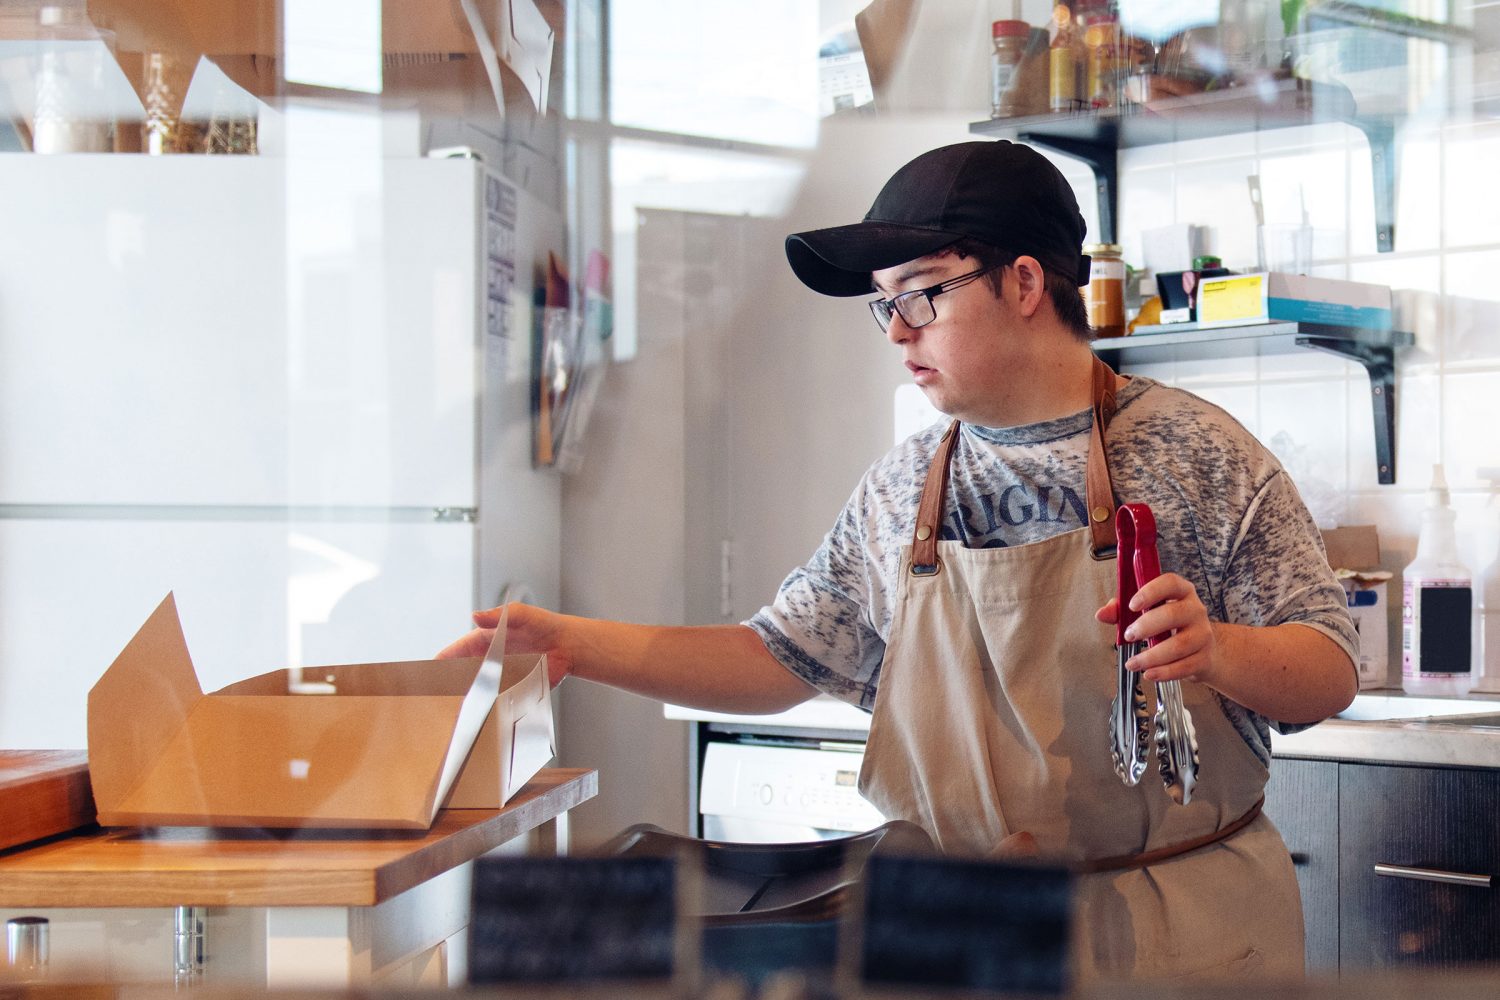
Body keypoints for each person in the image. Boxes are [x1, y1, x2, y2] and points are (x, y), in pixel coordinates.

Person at [439, 140, 1358, 981]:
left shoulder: (1198, 452)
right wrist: (566, 640)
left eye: (919, 295)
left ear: (1026, 280)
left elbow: (1329, 670)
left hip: (1178, 931)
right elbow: (780, 658)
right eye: (883, 304)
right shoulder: (902, 486)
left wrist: (1219, 649)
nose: (895, 331)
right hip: (961, 931)